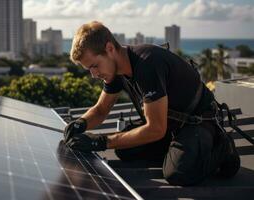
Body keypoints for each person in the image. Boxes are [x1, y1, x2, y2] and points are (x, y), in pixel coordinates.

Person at [64, 21, 240, 186]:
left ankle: (223, 149)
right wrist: (81, 123)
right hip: (170, 126)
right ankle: (179, 150)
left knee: (177, 173)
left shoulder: (147, 63)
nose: (94, 74)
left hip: (198, 122)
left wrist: (100, 142)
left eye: (95, 66)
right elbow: (101, 109)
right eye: (89, 69)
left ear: (109, 48)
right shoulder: (113, 69)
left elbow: (155, 129)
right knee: (125, 151)